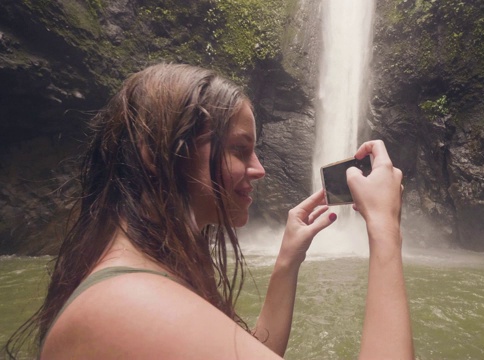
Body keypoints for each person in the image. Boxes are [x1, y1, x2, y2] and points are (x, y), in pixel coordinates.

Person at [6, 63, 413, 359]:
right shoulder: (129, 303)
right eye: (239, 149)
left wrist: (288, 260)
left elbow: (245, 351)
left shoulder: (135, 280)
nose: (260, 169)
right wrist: (383, 229)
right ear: (159, 152)